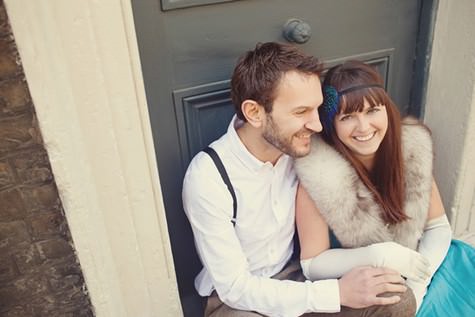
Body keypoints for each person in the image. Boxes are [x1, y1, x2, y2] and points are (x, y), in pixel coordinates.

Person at [182, 42, 416, 317]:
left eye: (316, 109)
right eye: (300, 112)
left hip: (297, 277)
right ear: (254, 113)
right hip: (237, 303)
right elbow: (236, 288)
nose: (316, 125)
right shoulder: (208, 176)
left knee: (395, 297)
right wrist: (336, 293)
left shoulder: (305, 147)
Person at [295, 60, 475, 316]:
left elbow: (437, 226)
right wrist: (379, 254)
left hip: (427, 263)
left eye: (372, 111)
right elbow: (312, 264)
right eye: (348, 117)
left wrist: (418, 283)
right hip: (370, 284)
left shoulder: (409, 151)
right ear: (332, 125)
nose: (364, 127)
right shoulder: (320, 177)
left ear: (387, 110)